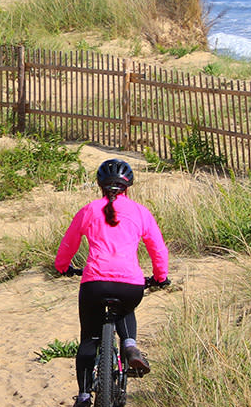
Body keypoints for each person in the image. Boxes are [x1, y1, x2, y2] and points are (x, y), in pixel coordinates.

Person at [54, 158, 169, 407]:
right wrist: (160, 277)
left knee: (88, 340)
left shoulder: (89, 210)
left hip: (94, 283)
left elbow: (68, 245)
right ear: (128, 187)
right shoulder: (140, 212)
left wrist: (62, 267)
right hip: (130, 284)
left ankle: (84, 396)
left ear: (100, 186)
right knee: (126, 308)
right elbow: (158, 249)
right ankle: (130, 345)